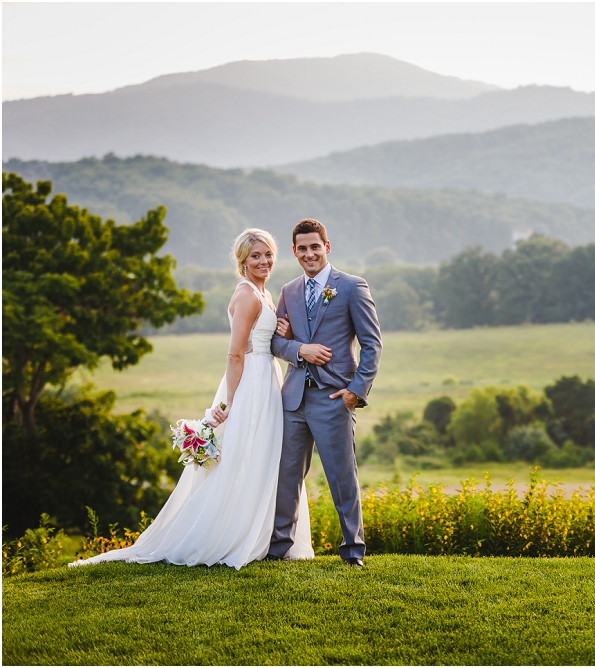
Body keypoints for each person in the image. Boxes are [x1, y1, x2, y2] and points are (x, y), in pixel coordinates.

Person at [69, 229, 313, 569]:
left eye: (268, 254)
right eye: (256, 255)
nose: (264, 261)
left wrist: (282, 333)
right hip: (249, 385)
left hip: (266, 379)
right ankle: (228, 535)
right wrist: (228, 402)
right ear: (243, 260)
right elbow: (235, 354)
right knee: (242, 457)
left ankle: (265, 534)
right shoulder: (247, 295)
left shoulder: (264, 293)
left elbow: (266, 339)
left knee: (264, 456)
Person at [268, 218, 382, 568]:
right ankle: (279, 548)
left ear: (326, 247)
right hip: (293, 400)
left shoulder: (350, 286)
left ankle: (353, 551)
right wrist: (300, 349)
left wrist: (355, 391)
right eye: (302, 248)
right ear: (294, 252)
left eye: (315, 246)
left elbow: (372, 345)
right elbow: (275, 341)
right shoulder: (288, 291)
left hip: (334, 399)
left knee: (342, 478)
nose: (309, 253)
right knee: (286, 477)